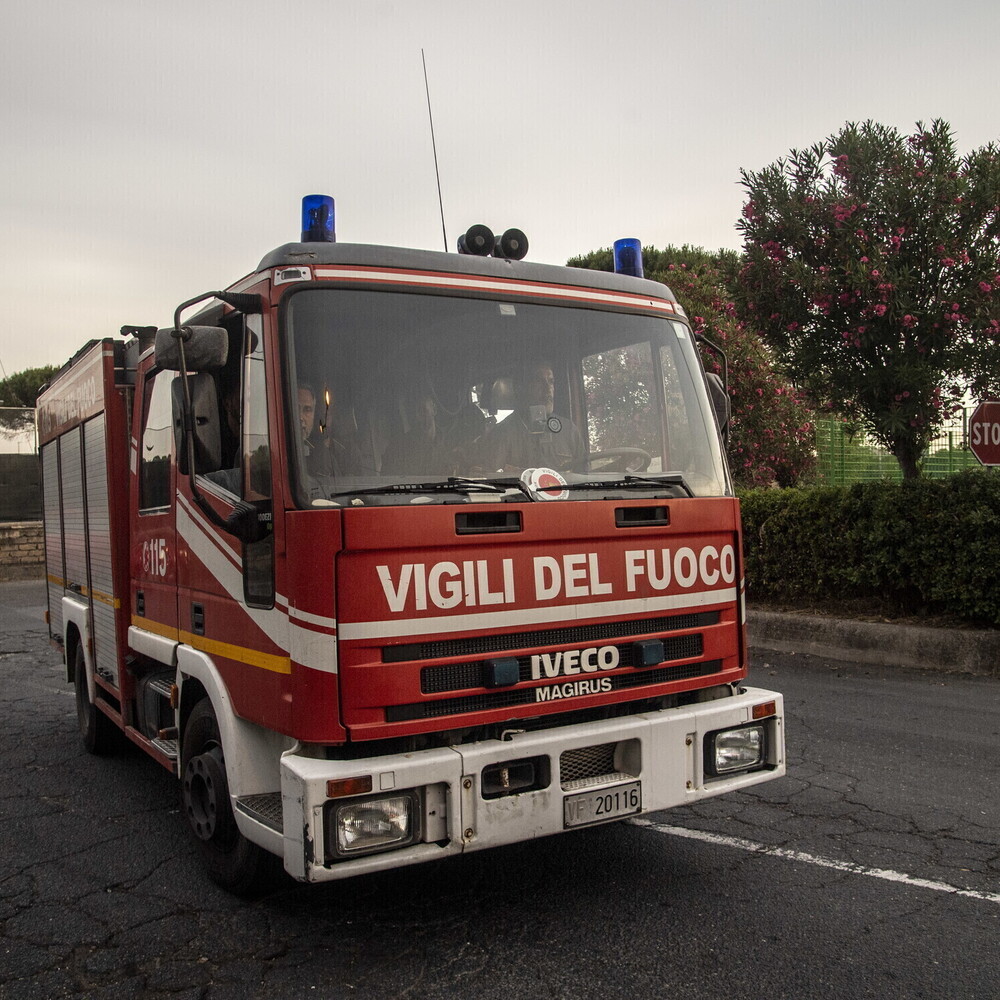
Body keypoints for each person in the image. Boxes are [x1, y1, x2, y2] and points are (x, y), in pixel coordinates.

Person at [482, 362, 585, 473]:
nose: (547, 389)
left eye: (551, 382)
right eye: (538, 381)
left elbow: (584, 477)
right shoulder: (501, 433)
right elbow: (493, 478)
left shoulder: (568, 430)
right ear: (521, 388)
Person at [298, 382, 359, 476]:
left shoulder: (346, 452)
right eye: (296, 409)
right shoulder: (283, 451)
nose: (300, 417)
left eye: (307, 410)